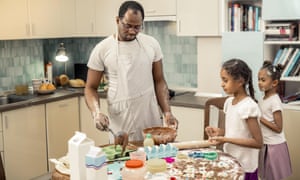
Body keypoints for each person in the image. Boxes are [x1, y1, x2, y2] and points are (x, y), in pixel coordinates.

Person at [84, 1, 178, 142]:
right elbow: (90, 87)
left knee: (153, 160)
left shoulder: (151, 44)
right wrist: (96, 113)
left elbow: (159, 81)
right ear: (117, 20)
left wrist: (167, 112)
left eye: (137, 27)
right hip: (121, 121)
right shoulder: (102, 49)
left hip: (149, 116)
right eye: (127, 26)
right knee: (124, 161)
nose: (132, 31)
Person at [205, 59, 263, 180]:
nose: (222, 84)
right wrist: (219, 132)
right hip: (231, 162)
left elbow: (258, 142)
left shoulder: (249, 106)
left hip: (245, 167)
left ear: (240, 81)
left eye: (225, 80)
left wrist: (225, 139)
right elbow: (235, 132)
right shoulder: (229, 102)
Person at [257, 61, 292, 180]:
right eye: (258, 79)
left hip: (274, 147)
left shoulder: (275, 101)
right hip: (265, 144)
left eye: (263, 80)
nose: (259, 83)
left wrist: (260, 118)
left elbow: (278, 128)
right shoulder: (263, 99)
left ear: (274, 83)